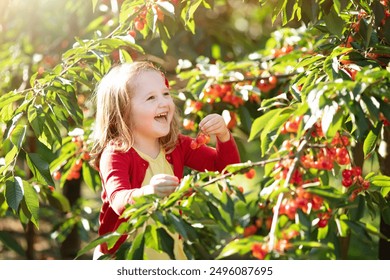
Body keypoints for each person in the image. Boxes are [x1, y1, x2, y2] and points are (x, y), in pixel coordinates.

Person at [89, 61, 240, 259]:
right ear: (124, 112)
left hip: (168, 255)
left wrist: (223, 135)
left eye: (166, 93)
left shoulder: (176, 145)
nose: (164, 102)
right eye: (151, 97)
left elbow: (224, 169)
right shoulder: (115, 154)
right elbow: (118, 199)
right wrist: (148, 192)